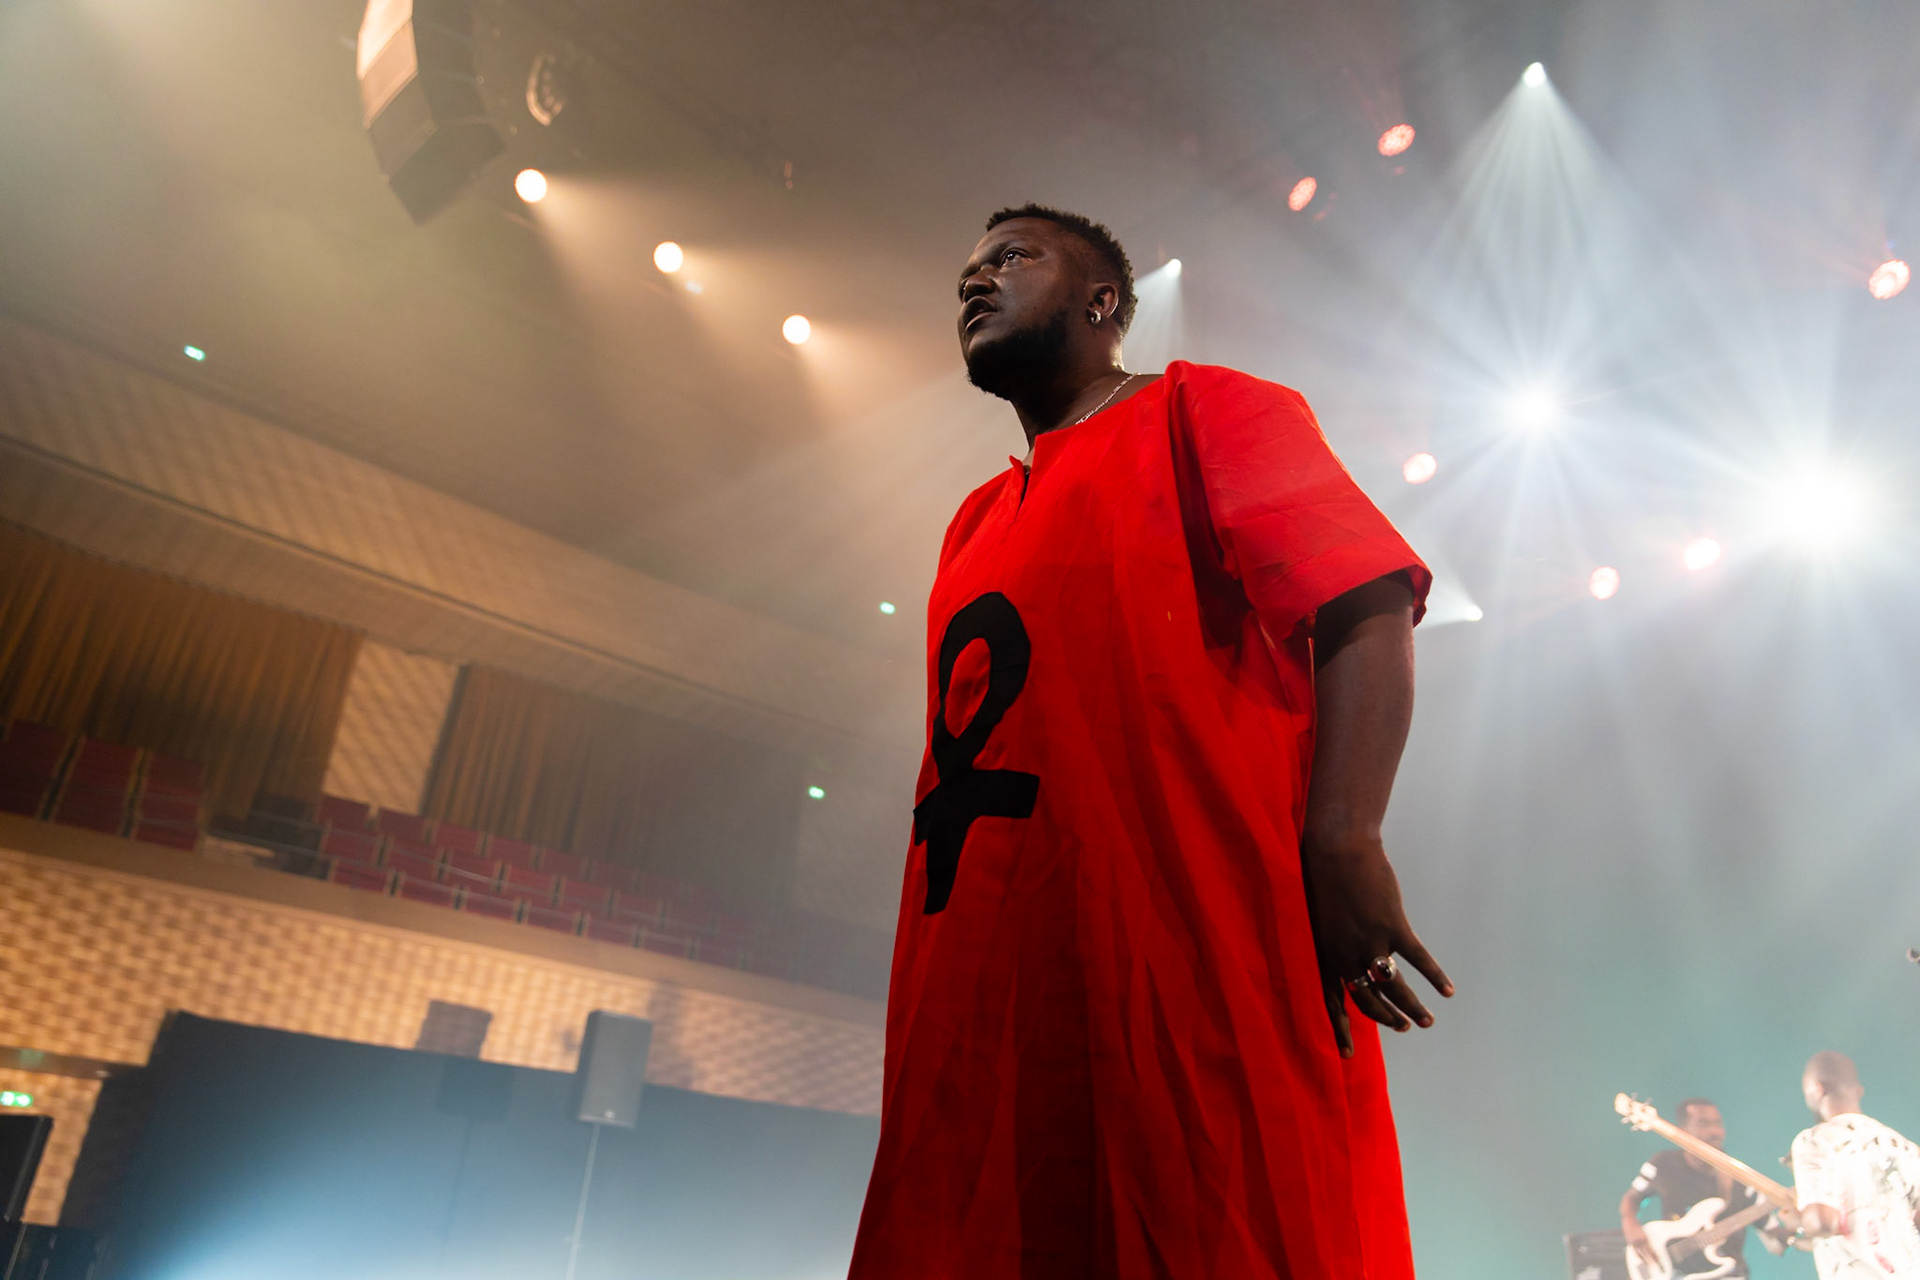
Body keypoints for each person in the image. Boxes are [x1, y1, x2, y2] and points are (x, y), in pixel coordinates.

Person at [847, 204, 1452, 1280]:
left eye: (1011, 259)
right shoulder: (973, 520)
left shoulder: (1203, 409)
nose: (974, 284)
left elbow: (1362, 595)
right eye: (964, 274)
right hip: (984, 987)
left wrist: (1344, 835)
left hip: (1188, 946)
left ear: (1104, 301)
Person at [1786, 1051, 1920, 1278]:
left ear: (1817, 1089)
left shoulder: (1814, 1140)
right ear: (1859, 1091)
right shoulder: (1905, 1147)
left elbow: (1822, 1222)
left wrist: (1798, 1219)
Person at [1618, 1098, 1780, 1277]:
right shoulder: (1662, 1164)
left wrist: (1796, 1227)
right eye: (1703, 1124)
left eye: (1717, 1124)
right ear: (1684, 1130)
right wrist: (1632, 1228)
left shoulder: (1741, 1176)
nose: (1714, 1132)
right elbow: (1631, 1199)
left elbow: (1775, 1238)